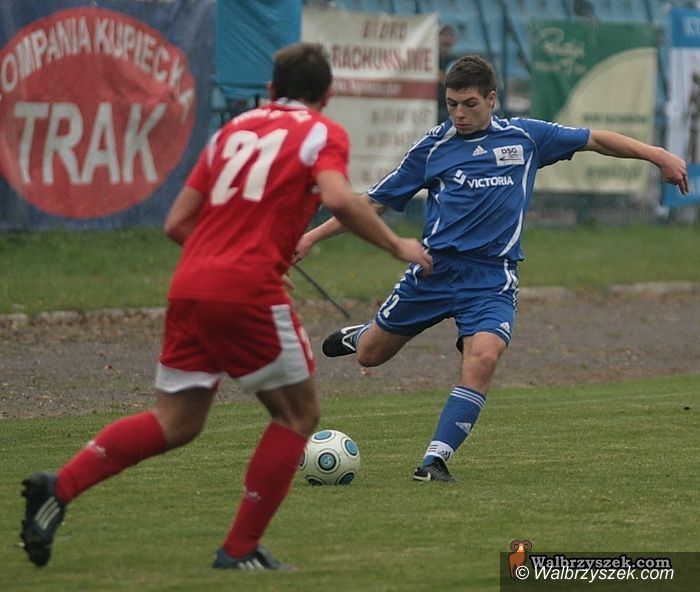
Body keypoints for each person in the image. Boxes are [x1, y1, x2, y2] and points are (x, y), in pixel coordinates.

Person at [19, 42, 432, 571]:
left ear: (270, 89)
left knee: (176, 421)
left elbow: (176, 223)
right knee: (298, 414)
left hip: (190, 285)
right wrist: (397, 245)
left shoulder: (231, 132)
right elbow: (337, 196)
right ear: (327, 94)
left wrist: (222, 260)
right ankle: (238, 550)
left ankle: (60, 486)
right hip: (247, 291)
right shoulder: (321, 132)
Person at [293, 54, 689, 483]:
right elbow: (372, 202)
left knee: (483, 356)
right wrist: (311, 237)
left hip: (491, 278)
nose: (459, 114)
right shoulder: (434, 148)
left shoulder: (526, 138)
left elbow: (596, 139)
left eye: (469, 104)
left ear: (492, 99)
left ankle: (434, 461)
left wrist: (658, 155)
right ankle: (363, 335)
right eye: (451, 104)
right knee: (371, 356)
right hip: (434, 271)